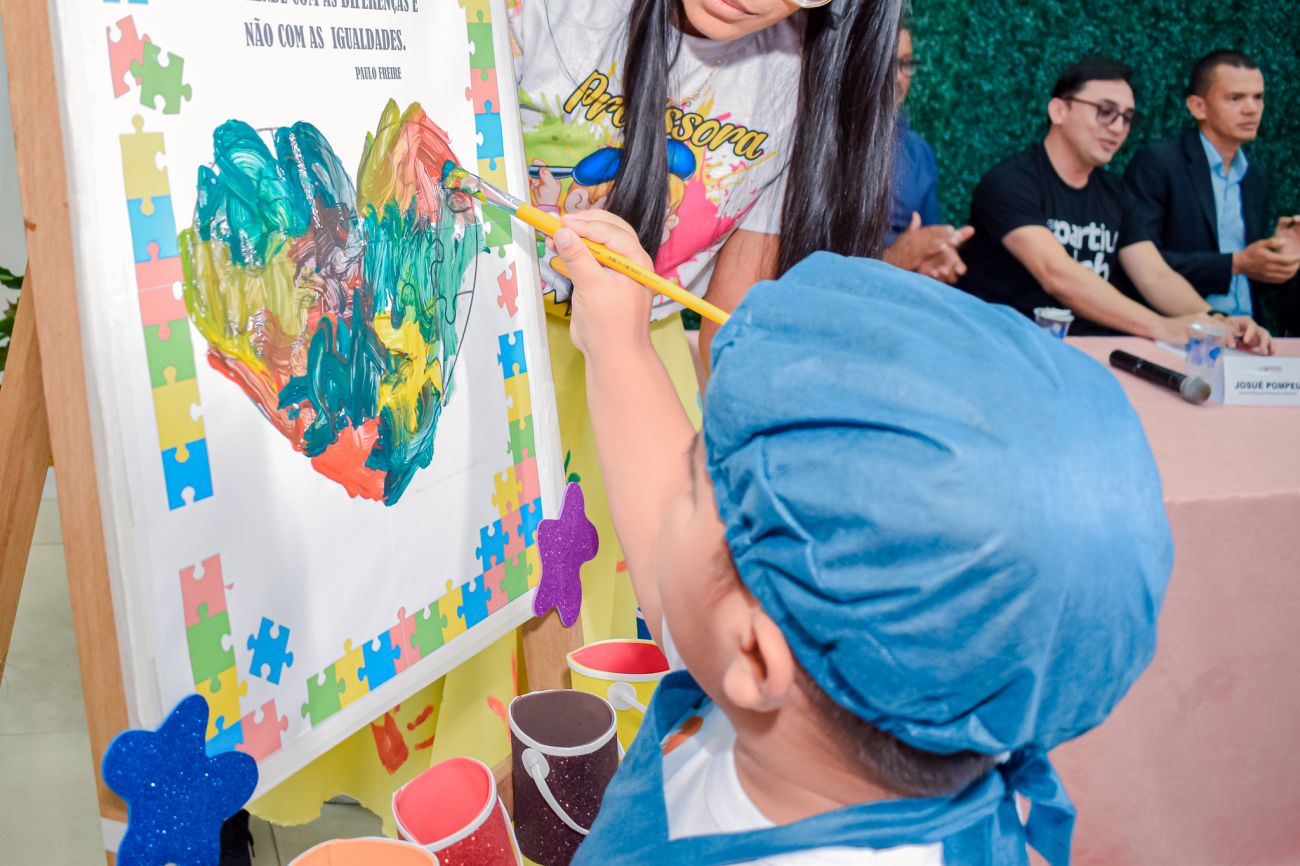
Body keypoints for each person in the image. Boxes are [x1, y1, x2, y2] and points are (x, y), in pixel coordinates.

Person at [550, 210, 1173, 864]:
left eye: (694, 484)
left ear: (757, 657)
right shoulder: (827, 675)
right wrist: (620, 346)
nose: (677, 493)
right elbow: (687, 580)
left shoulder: (773, 667)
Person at [508, 0, 905, 642]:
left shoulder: (803, 75)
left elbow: (732, 328)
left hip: (640, 369)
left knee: (592, 620)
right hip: (490, 339)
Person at [956, 56, 1271, 351]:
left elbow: (1154, 274)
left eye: (1127, 118)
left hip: (1087, 352)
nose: (1118, 127)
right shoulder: (1010, 182)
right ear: (1059, 111)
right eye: (1104, 111)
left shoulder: (1116, 193)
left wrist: (1216, 321)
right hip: (1005, 347)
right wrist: (1161, 327)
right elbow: (1057, 274)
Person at [1124, 51, 1300, 335]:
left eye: (1258, 97)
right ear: (1198, 107)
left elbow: (1252, 280)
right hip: (1183, 332)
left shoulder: (1255, 175)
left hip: (1249, 334)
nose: (1251, 109)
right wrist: (1236, 263)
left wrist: (1280, 258)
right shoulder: (1160, 162)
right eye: (1235, 98)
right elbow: (1141, 263)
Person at [882, 25, 973, 284]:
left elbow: (925, 241)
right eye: (886, 62)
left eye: (905, 64)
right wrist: (895, 258)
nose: (897, 77)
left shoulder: (918, 152)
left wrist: (936, 256)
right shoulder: (819, 143)